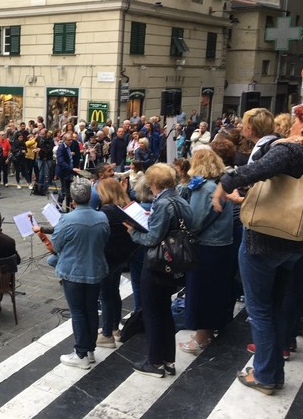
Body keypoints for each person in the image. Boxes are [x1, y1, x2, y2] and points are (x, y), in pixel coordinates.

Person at [212, 102, 303, 395]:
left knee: (260, 309)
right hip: (298, 238)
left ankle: (265, 375)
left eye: (298, 121)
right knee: (274, 304)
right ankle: (272, 371)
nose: (291, 125)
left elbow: (252, 171)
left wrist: (223, 185)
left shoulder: (294, 149)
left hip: (266, 239)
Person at [125, 163, 193, 378]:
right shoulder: (181, 199)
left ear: (153, 184)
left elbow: (152, 238)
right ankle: (168, 359)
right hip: (174, 264)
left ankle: (154, 362)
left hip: (158, 264)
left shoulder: (163, 204)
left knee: (153, 313)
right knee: (165, 312)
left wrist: (132, 233)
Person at [178, 148, 234, 355]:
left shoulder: (203, 188)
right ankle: (210, 330)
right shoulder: (222, 184)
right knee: (216, 289)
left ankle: (202, 336)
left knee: (201, 291)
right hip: (223, 244)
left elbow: (197, 220)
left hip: (207, 245)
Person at [51, 177, 110, 369]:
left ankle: (81, 353)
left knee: (78, 312)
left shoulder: (66, 220)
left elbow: (56, 245)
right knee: (91, 309)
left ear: (73, 200)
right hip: (95, 269)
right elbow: (105, 239)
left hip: (73, 270)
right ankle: (89, 349)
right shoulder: (102, 217)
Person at [95, 178, 137, 348]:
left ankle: (106, 334)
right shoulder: (122, 208)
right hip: (120, 257)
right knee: (113, 292)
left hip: (108, 258)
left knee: (106, 295)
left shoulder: (106, 211)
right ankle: (113, 328)